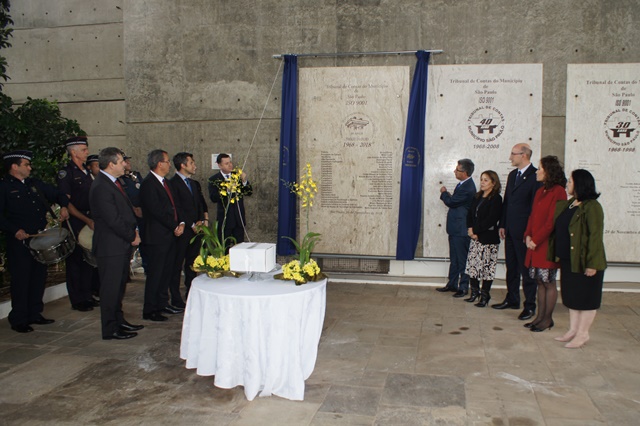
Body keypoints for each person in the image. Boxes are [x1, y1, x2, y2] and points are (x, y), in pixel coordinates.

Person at [0, 150, 70, 333]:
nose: (30, 167)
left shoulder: (34, 184)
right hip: (19, 241)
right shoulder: (4, 187)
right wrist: (14, 230)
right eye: (26, 164)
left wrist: (63, 206)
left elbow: (58, 194)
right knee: (21, 279)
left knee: (38, 277)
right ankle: (19, 319)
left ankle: (34, 313)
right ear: (14, 166)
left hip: (39, 238)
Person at [89, 147, 143, 340]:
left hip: (120, 245)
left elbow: (125, 212)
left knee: (119, 287)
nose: (125, 164)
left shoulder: (114, 182)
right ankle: (110, 328)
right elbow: (112, 219)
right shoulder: (101, 186)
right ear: (111, 164)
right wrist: (132, 235)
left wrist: (133, 231)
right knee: (110, 289)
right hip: (110, 247)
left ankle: (119, 321)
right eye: (121, 161)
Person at [548, 169, 606, 349]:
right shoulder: (571, 203)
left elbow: (595, 236)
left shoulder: (592, 206)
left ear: (580, 183)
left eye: (571, 181)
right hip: (569, 260)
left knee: (587, 300)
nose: (568, 184)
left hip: (585, 262)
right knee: (573, 297)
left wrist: (592, 264)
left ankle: (583, 334)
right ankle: (573, 330)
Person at [492, 143, 542, 320]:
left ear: (524, 155)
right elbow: (507, 202)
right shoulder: (513, 175)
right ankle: (512, 298)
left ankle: (530, 305)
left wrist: (530, 232)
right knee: (511, 267)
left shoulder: (536, 176)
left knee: (526, 269)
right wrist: (502, 224)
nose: (510, 157)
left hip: (524, 232)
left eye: (513, 154)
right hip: (510, 230)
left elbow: (535, 208)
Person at [522, 156, 567, 332]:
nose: (537, 172)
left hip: (546, 245)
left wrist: (535, 239)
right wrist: (527, 235)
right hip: (534, 245)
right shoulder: (541, 191)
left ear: (549, 171)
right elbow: (532, 216)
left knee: (548, 282)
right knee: (539, 281)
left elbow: (552, 221)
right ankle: (539, 317)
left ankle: (547, 319)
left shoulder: (559, 191)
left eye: (540, 168)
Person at [139, 149, 185, 321]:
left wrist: (180, 223)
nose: (169, 164)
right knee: (156, 274)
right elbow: (156, 211)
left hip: (170, 234)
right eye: (166, 161)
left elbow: (175, 206)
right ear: (159, 164)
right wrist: (175, 225)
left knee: (166, 272)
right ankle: (150, 309)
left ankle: (163, 303)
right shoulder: (148, 184)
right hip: (157, 237)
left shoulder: (166, 182)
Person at [57, 136, 96, 312]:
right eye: (83, 150)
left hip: (90, 219)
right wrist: (86, 219)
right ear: (73, 152)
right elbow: (66, 202)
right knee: (75, 262)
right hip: (76, 221)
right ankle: (77, 299)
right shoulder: (67, 173)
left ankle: (87, 295)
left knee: (88, 259)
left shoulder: (86, 172)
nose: (87, 152)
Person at [170, 152, 209, 305]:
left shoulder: (193, 184)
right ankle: (175, 296)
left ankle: (190, 292)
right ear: (183, 165)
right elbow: (177, 208)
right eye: (192, 163)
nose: (195, 166)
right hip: (183, 230)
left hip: (196, 230)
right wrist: (191, 224)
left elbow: (199, 204)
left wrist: (200, 221)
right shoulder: (173, 184)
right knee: (177, 263)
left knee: (192, 264)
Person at [437, 159, 476, 297]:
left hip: (461, 229)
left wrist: (444, 193)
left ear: (464, 172)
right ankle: (452, 284)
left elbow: (452, 202)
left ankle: (463, 287)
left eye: (457, 170)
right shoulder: (462, 185)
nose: (454, 171)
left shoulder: (468, 187)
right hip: (455, 229)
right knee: (454, 258)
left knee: (462, 259)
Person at [465, 170, 502, 307]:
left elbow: (492, 219)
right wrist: (470, 229)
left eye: (486, 180)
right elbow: (470, 214)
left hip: (488, 239)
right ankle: (474, 293)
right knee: (473, 266)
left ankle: (485, 295)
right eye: (481, 179)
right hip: (475, 238)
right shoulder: (477, 196)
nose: (482, 182)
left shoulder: (496, 198)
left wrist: (476, 231)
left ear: (493, 183)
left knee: (486, 268)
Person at [208, 153, 252, 249]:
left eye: (230, 162)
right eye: (226, 163)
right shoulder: (214, 179)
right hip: (225, 219)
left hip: (238, 219)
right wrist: (227, 191)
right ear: (220, 165)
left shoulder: (237, 176)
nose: (230, 165)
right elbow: (213, 198)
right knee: (225, 246)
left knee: (240, 247)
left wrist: (244, 181)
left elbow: (249, 192)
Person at [119, 153, 147, 274]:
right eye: (125, 161)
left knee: (144, 242)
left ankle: (147, 266)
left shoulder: (136, 175)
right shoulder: (119, 180)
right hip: (130, 215)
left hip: (142, 214)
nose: (128, 163)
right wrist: (134, 208)